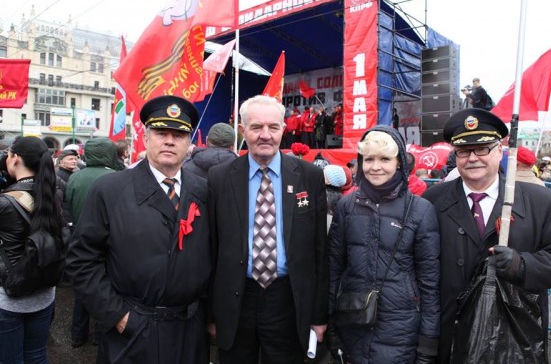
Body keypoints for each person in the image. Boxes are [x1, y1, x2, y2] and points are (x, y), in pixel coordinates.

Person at [421, 108, 551, 363]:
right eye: (464, 151)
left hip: (516, 340)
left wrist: (523, 265)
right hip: (451, 340)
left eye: (482, 148)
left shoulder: (540, 202)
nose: (473, 158)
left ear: (500, 151)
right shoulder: (432, 200)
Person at [66, 96, 212, 364]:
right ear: (146, 138)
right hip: (132, 333)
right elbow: (82, 260)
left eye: (179, 134)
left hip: (189, 331)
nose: (169, 140)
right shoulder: (110, 190)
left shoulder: (204, 190)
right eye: (161, 132)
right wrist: (118, 316)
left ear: (189, 142)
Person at [207, 95, 328, 364]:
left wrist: (319, 317)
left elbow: (320, 251)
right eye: (256, 127)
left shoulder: (309, 176)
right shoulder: (219, 178)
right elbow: (211, 249)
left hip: (289, 299)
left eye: (273, 127)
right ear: (242, 131)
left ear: (283, 129)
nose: (265, 135)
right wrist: (212, 315)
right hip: (237, 300)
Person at [328, 125, 440, 363]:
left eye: (384, 159)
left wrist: (429, 342)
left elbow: (430, 283)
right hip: (352, 322)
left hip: (401, 329)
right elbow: (333, 270)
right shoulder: (346, 207)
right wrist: (329, 323)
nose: (375, 167)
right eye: (368, 159)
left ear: (399, 162)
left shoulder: (421, 210)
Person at [0, 136, 64, 363]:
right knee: (37, 355)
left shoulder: (5, 202)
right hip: (45, 292)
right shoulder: (54, 192)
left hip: (9, 298)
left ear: (15, 158)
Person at [66, 138, 122, 348]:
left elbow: (69, 206)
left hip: (79, 238)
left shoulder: (75, 177)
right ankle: (100, 335)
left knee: (83, 288)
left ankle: (77, 335)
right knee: (106, 287)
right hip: (110, 242)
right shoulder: (117, 177)